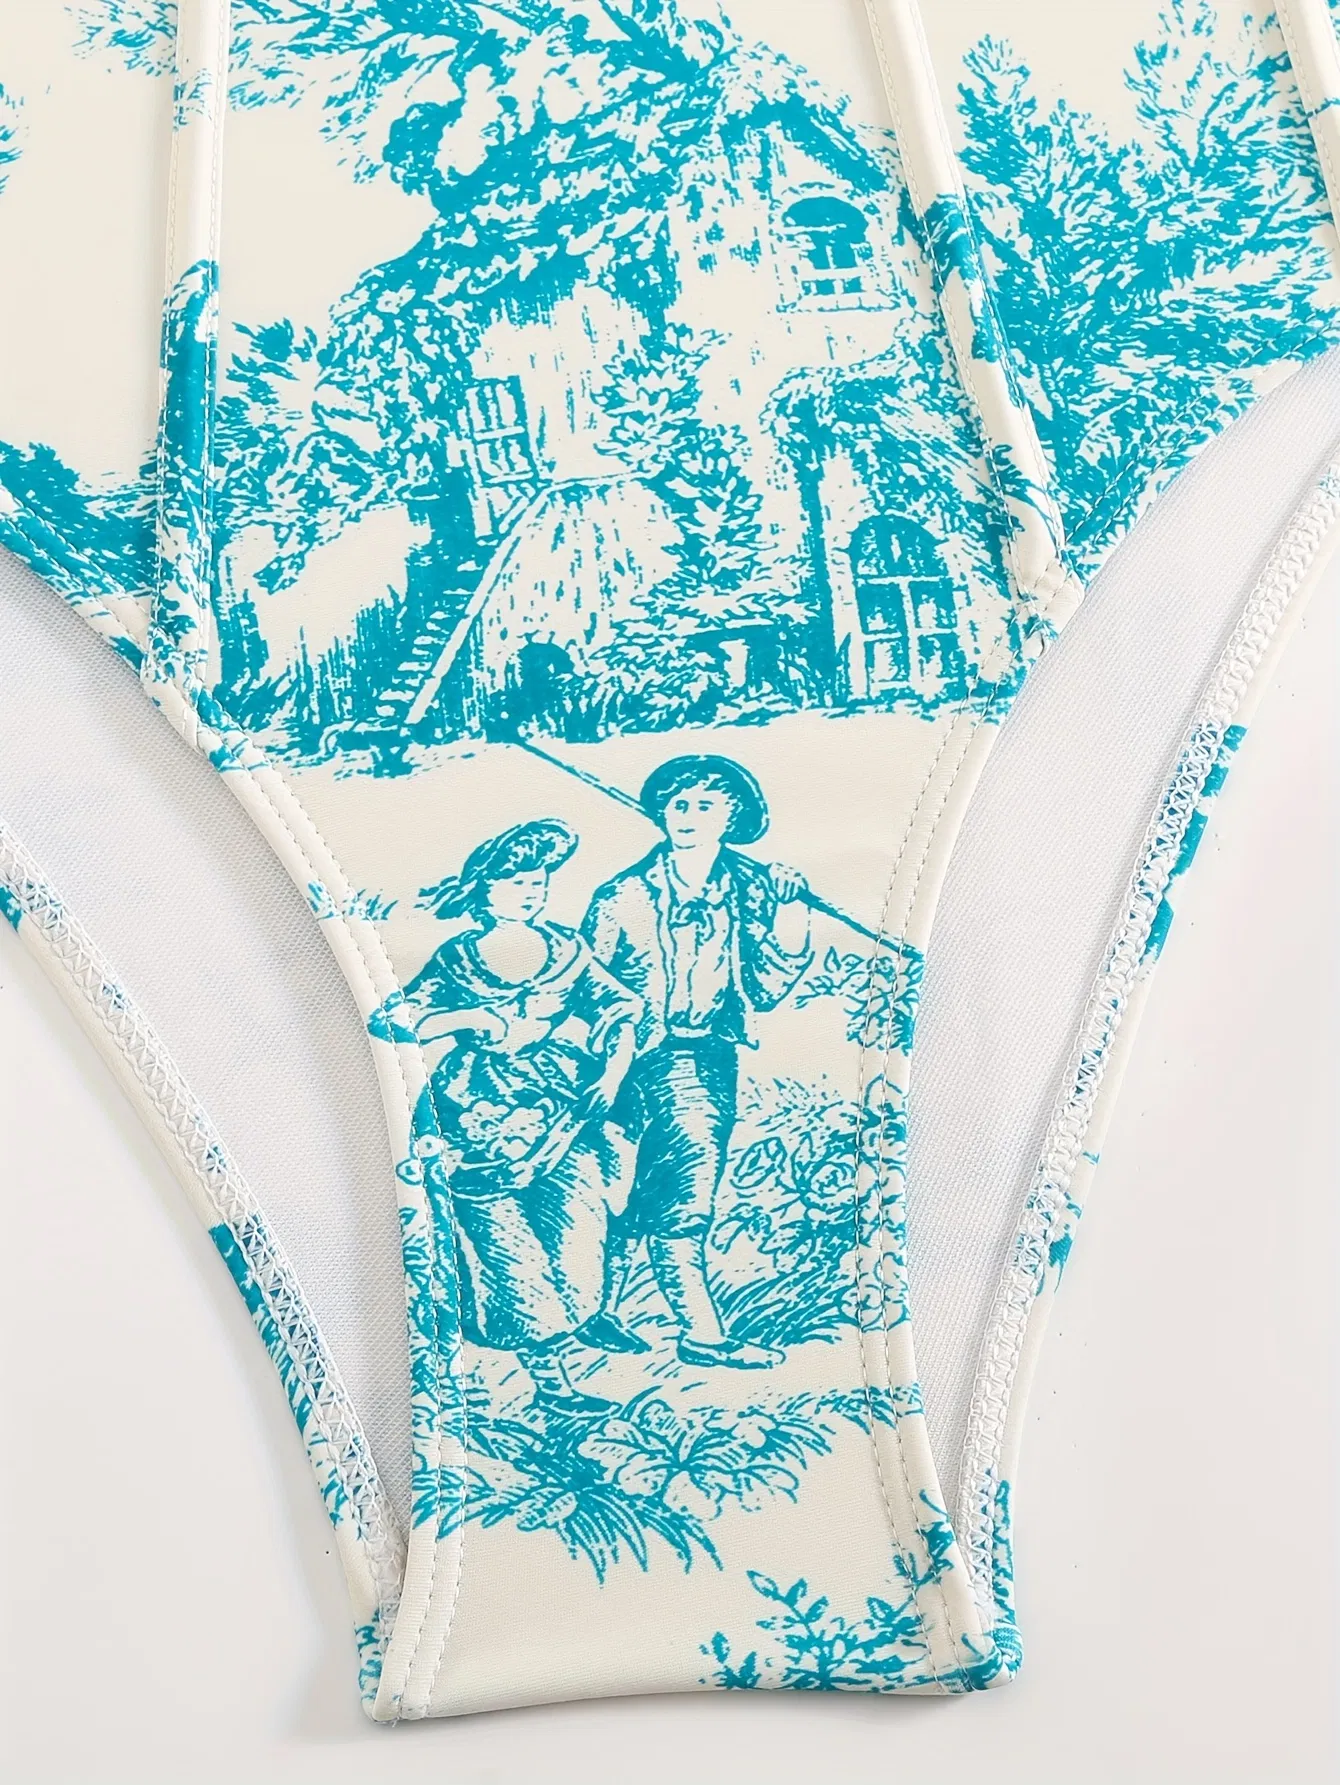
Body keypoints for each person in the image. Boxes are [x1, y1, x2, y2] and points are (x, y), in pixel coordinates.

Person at [404, 819, 642, 1415]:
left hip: (562, 1100)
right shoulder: (456, 958)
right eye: (516, 883)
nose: (532, 892)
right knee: (507, 1246)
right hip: (476, 1111)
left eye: (539, 881)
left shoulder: (567, 949)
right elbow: (397, 1021)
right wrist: (471, 1020)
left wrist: (612, 1072)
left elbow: (619, 1006)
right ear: (483, 892)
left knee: (578, 1221)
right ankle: (552, 1382)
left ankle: (587, 1317)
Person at [583, 755, 812, 1369]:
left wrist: (791, 914)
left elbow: (767, 987)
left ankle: (686, 1331)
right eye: (678, 804)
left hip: (702, 1060)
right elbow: (587, 987)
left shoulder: (748, 891)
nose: (686, 815)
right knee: (628, 1193)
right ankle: (652, 1325)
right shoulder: (622, 896)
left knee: (681, 1195)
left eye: (704, 805)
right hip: (625, 1064)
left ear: (731, 817)